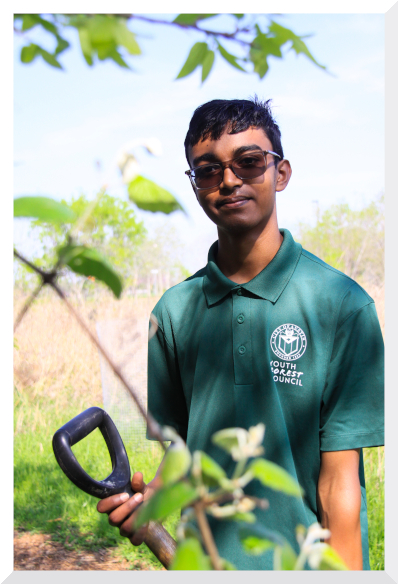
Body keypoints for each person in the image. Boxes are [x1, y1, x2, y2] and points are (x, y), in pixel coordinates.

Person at [97, 98, 384, 570]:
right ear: (194, 187)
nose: (229, 180)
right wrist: (155, 502)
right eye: (208, 170)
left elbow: (339, 488)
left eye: (249, 162)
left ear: (282, 173)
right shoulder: (172, 312)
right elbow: (182, 452)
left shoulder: (342, 305)